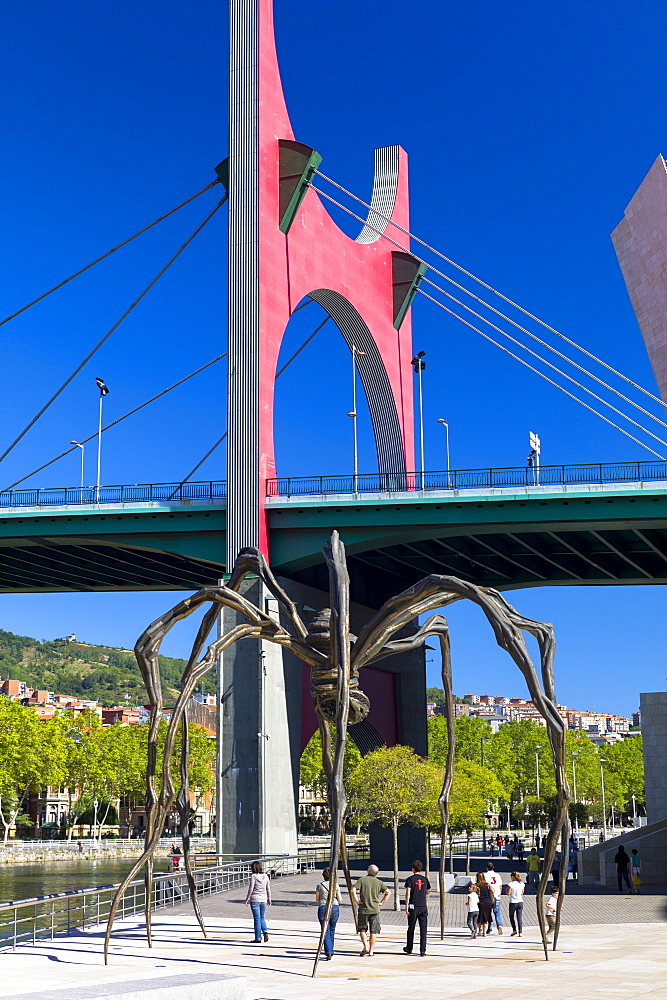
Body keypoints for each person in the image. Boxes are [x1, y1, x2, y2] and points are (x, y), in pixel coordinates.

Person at [352, 864, 390, 957]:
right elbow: (388, 892)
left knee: (362, 928)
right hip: (375, 909)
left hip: (363, 909)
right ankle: (371, 950)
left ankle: (365, 946)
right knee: (374, 931)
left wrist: (357, 901)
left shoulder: (362, 880)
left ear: (368, 871)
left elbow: (353, 890)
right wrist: (381, 902)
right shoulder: (379, 882)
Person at [403, 860, 431, 956]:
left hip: (413, 906)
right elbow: (428, 891)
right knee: (423, 929)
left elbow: (408, 892)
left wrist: (406, 907)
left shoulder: (410, 879)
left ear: (413, 869)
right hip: (423, 906)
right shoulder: (425, 879)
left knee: (411, 928)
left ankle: (409, 948)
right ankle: (422, 950)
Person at [315, 867, 341, 960]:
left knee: (325, 929)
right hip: (334, 907)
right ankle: (331, 949)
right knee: (332, 929)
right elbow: (340, 899)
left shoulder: (319, 885)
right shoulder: (336, 885)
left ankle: (328, 951)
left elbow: (317, 900)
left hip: (323, 907)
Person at [245, 860, 271, 943]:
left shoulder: (253, 876)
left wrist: (247, 899)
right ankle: (265, 931)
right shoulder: (266, 876)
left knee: (256, 919)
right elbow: (268, 889)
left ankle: (258, 938)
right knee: (262, 917)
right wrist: (269, 899)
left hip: (255, 899)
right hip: (263, 899)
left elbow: (251, 889)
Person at [484, 862, 503, 934]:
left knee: (488, 912)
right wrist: (499, 893)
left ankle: (490, 928)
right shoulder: (497, 875)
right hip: (497, 895)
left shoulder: (485, 875)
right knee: (497, 911)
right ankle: (499, 925)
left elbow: (486, 885)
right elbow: (500, 886)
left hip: (489, 896)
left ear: (487, 868)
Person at [506, 872, 525, 937]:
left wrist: (508, 891)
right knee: (519, 917)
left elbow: (508, 893)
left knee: (511, 916)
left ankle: (514, 930)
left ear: (513, 877)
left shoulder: (511, 884)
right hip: (520, 901)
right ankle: (520, 932)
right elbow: (522, 892)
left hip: (513, 902)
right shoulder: (521, 884)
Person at [475, 872, 493, 937]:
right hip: (488, 902)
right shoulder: (487, 885)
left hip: (479, 903)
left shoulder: (476, 885)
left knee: (478, 917)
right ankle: (484, 933)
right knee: (486, 918)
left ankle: (480, 929)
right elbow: (493, 891)